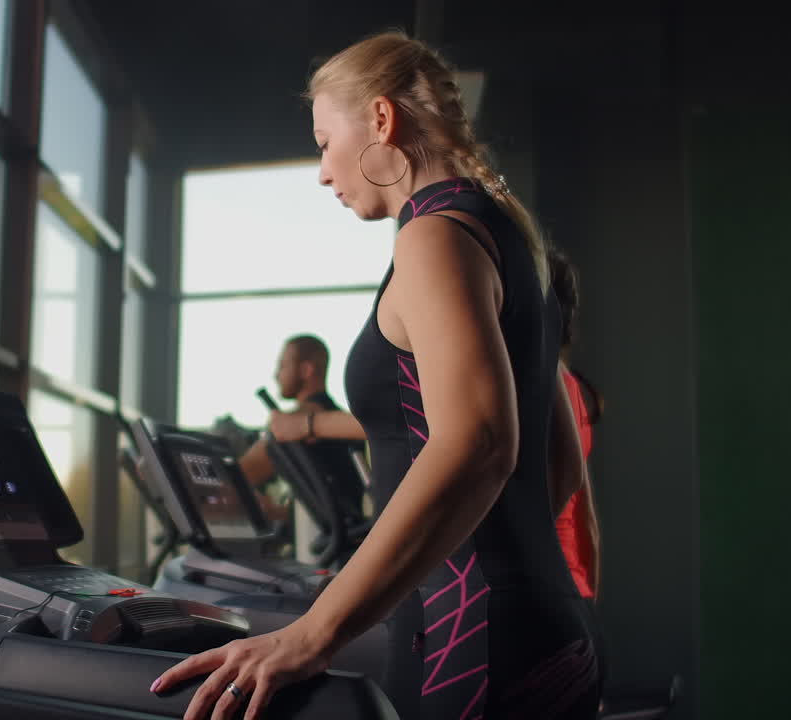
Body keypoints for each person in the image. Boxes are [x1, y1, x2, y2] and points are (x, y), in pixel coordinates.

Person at [151, 30, 598, 720]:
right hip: (542, 630)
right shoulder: (511, 237)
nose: (322, 172)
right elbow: (556, 466)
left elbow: (479, 444)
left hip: (469, 640)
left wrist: (313, 632)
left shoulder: (435, 234)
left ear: (382, 120)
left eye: (325, 141)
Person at [548, 247, 607, 695]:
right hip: (573, 593)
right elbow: (587, 519)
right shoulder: (564, 380)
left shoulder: (547, 381)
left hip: (555, 597)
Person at [237, 335, 368, 533]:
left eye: (283, 366)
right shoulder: (335, 416)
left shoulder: (295, 422)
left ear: (306, 370)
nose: (276, 375)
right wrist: (277, 512)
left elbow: (242, 475)